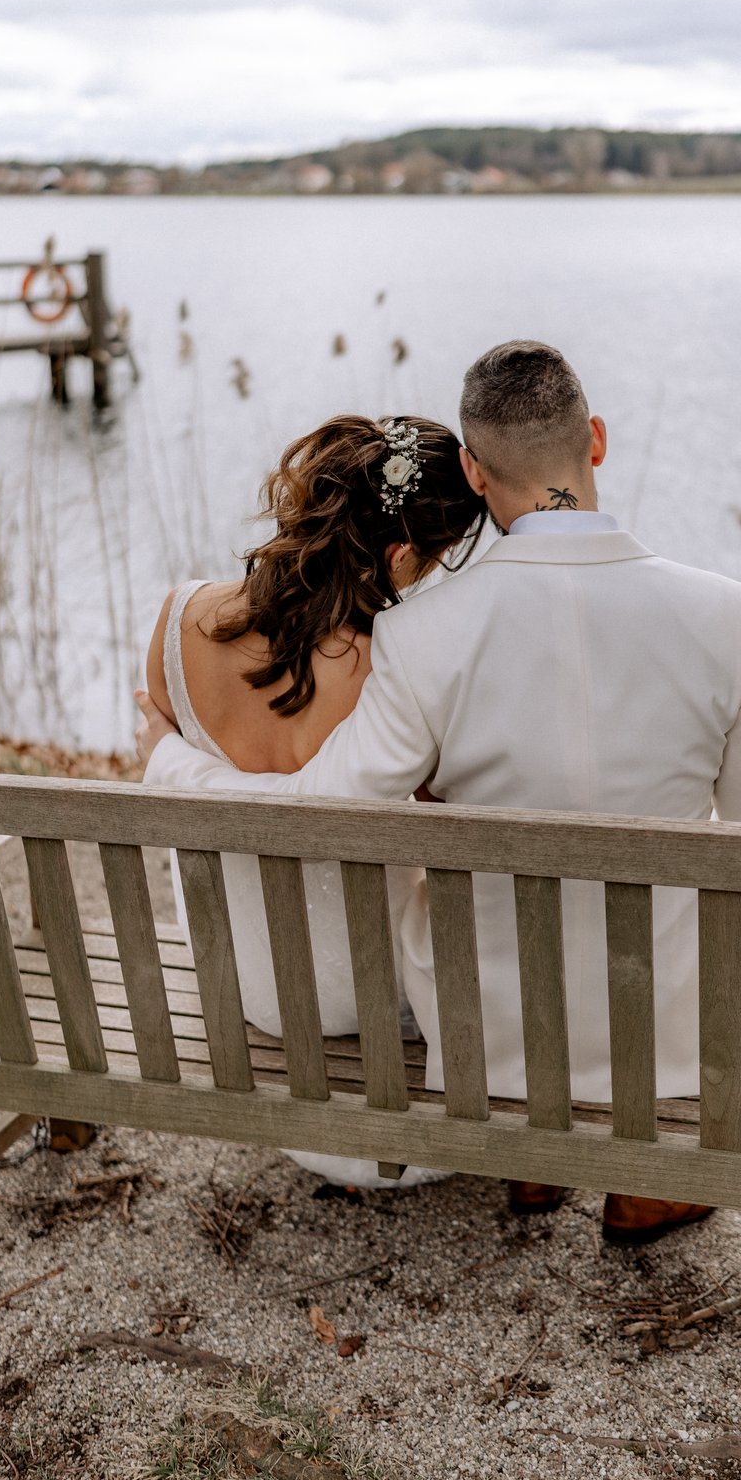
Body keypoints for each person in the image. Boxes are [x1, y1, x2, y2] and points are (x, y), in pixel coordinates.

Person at [137, 341, 741, 1241]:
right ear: (595, 440)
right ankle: (644, 1180)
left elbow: (316, 813)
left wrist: (173, 762)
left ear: (477, 476)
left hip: (496, 1045)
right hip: (668, 1048)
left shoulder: (424, 635)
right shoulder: (734, 614)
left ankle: (529, 1164)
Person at [143, 412, 485, 1187]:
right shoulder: (392, 670)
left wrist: (166, 757)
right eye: (438, 562)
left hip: (259, 992)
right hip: (378, 999)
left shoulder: (176, 622)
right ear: (398, 556)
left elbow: (242, 789)